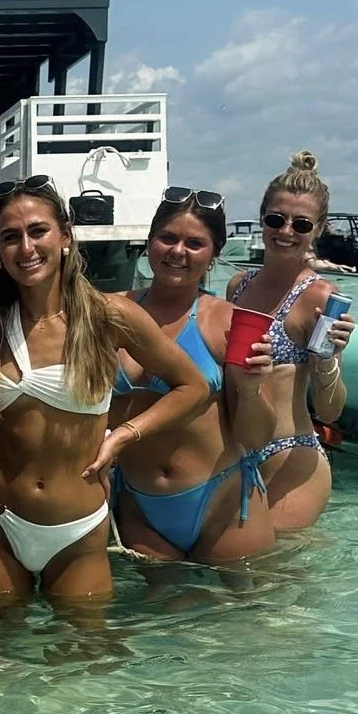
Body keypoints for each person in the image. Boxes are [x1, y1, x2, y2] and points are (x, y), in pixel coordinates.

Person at [0, 174, 210, 604]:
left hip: (77, 530)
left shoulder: (108, 315)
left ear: (65, 236)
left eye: (38, 231)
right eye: (11, 237)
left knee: (86, 643)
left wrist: (124, 435)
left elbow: (192, 387)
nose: (26, 247)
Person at [111, 188, 277, 564]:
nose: (178, 251)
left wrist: (250, 390)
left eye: (195, 243)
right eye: (167, 238)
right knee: (159, 603)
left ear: (214, 254)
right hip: (139, 507)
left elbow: (254, 438)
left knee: (246, 601)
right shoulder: (111, 311)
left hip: (222, 504)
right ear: (149, 241)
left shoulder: (227, 322)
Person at [225, 151, 356, 530]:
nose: (285, 231)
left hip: (290, 457)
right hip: (235, 454)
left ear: (318, 229)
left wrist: (328, 359)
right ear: (262, 218)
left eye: (301, 224)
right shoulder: (238, 286)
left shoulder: (320, 298)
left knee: (273, 565)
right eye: (275, 219)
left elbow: (329, 412)